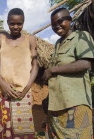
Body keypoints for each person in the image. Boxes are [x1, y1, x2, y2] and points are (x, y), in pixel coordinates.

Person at [42, 8, 94, 138]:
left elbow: (85, 63)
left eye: (61, 21)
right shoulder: (57, 44)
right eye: (53, 24)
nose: (57, 26)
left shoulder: (81, 36)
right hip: (56, 107)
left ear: (70, 20)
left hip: (75, 104)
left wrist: (53, 70)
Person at [0, 8, 38, 139]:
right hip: (3, 92)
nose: (16, 27)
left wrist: (27, 87)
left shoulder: (30, 40)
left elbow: (35, 66)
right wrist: (2, 83)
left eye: (19, 23)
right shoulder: (1, 40)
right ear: (7, 22)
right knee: (5, 130)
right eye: (12, 23)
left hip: (23, 92)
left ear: (23, 23)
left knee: (24, 130)